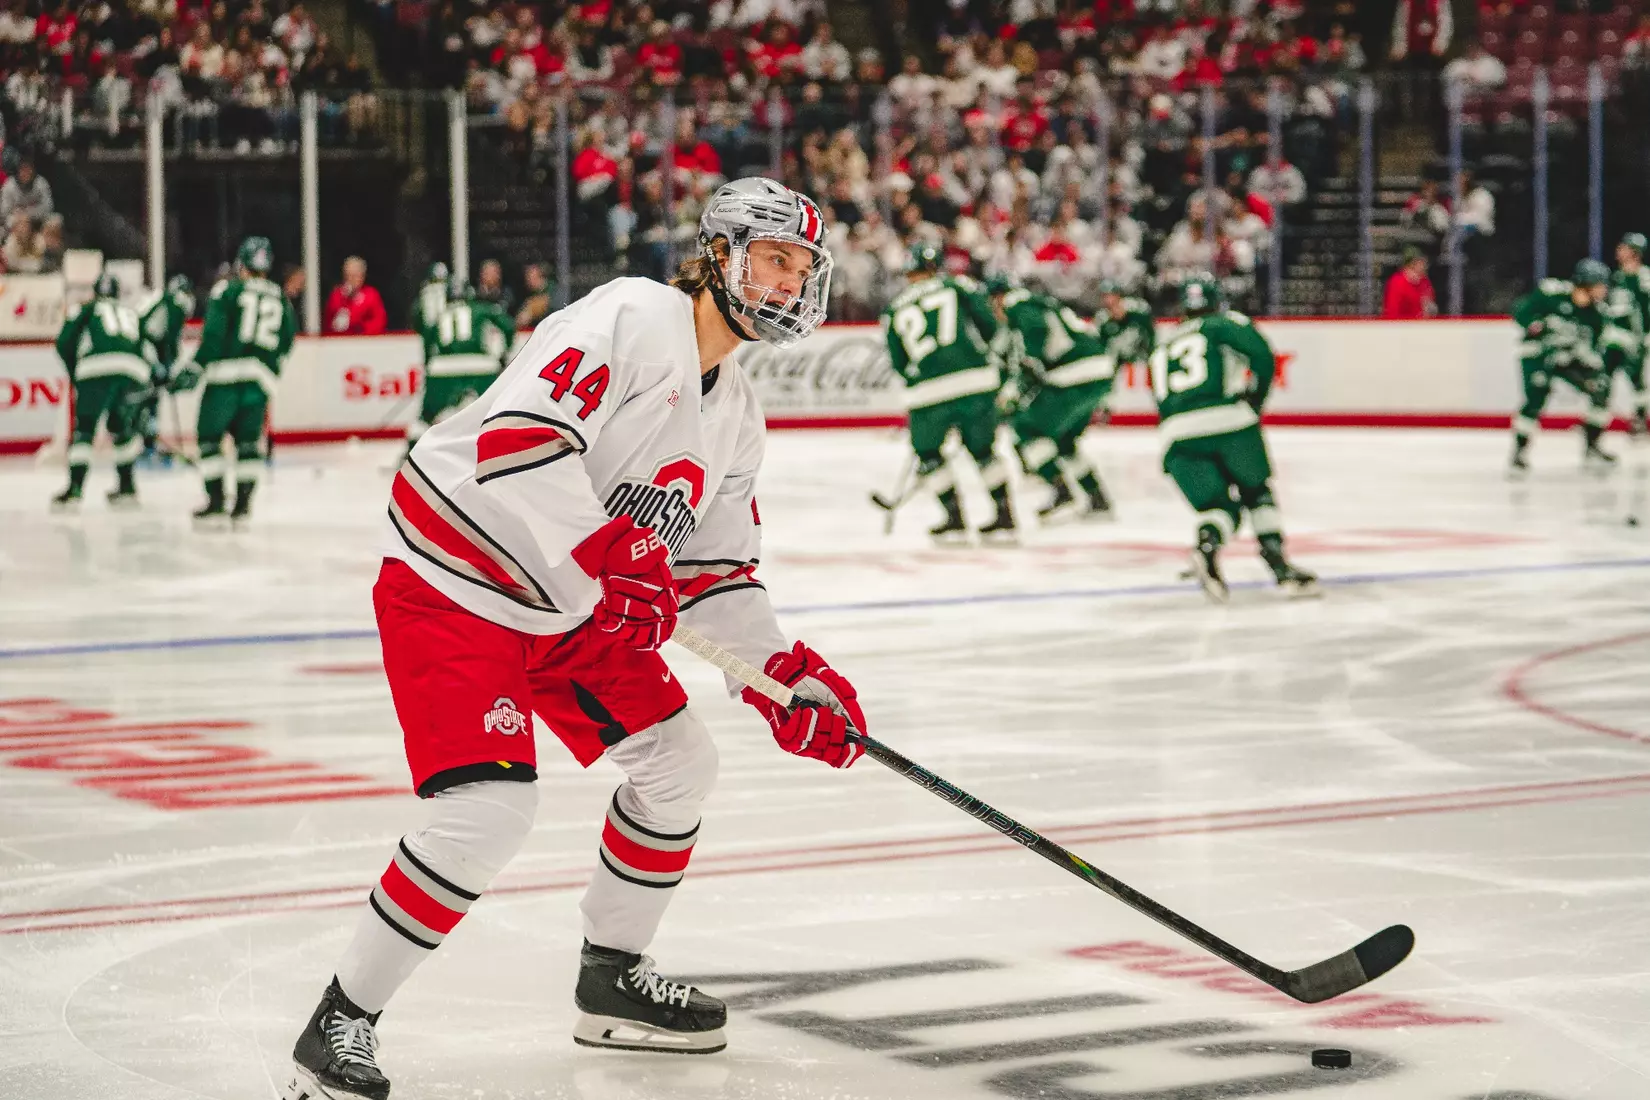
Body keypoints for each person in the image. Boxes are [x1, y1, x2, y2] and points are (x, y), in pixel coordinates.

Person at [278, 178, 869, 1100]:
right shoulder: (633, 316)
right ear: (718, 255)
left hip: (568, 603)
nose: (790, 285)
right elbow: (516, 442)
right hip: (457, 580)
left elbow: (712, 576)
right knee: (488, 811)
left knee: (681, 763)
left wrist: (783, 677)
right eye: (774, 260)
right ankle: (339, 1022)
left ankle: (612, 978)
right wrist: (615, 549)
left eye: (802, 269)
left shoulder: (738, 414)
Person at [1148, 275, 1318, 602]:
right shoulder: (1224, 323)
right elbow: (1263, 355)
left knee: (1219, 507)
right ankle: (1279, 566)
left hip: (1176, 434)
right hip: (1230, 422)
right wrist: (1254, 400)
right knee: (1256, 492)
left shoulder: (1164, 342)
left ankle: (1207, 546)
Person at [879, 241, 1014, 543]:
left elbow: (899, 361)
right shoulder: (958, 286)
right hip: (976, 381)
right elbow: (990, 325)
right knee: (983, 451)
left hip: (926, 393)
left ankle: (954, 519)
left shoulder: (895, 308)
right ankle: (1005, 517)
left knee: (929, 455)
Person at [169, 236, 298, 526]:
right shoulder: (279, 296)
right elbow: (288, 340)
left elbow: (213, 336)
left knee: (210, 439)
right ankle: (242, 506)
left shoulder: (228, 289)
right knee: (249, 444)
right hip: (258, 382)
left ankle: (216, 502)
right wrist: (270, 372)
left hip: (224, 378)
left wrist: (195, 367)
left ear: (242, 264)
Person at [988, 275, 1122, 522]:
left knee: (1028, 429)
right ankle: (1096, 496)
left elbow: (1036, 333)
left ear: (996, 298)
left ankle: (1060, 490)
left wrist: (1029, 367)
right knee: (1063, 440)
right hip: (1098, 372)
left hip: (1075, 374)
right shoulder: (1035, 303)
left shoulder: (1016, 302)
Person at [50, 271, 155, 511]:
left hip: (95, 369)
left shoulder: (87, 308)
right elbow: (147, 347)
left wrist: (76, 372)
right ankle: (127, 486)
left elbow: (64, 341)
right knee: (122, 428)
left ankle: (75, 489)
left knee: (85, 429)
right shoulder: (132, 312)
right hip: (132, 370)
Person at [1510, 259, 1626, 471]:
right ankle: (1519, 451)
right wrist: (1536, 326)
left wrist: (1591, 371)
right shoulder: (1551, 293)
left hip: (1571, 356)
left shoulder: (1598, 314)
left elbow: (1596, 347)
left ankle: (1592, 446)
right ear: (1586, 283)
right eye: (1600, 284)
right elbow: (1520, 311)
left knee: (1601, 387)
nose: (1603, 289)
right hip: (1540, 354)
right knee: (1537, 395)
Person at [404, 272, 515, 461]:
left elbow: (427, 340)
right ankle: (505, 451)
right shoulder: (481, 308)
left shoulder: (440, 315)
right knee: (494, 410)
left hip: (443, 369)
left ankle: (411, 454)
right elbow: (508, 326)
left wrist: (429, 365)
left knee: (427, 415)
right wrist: (503, 355)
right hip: (479, 367)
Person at [138, 273, 196, 463]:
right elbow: (168, 337)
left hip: (140, 348)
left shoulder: (160, 298)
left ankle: (147, 442)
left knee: (148, 398)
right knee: (149, 399)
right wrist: (165, 365)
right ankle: (147, 444)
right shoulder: (178, 301)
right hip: (147, 349)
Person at [1604, 232, 1650, 437]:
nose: (1619, 250)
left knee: (1637, 381)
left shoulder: (1643, 277)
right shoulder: (1617, 277)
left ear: (1635, 252)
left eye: (1624, 247)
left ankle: (1640, 420)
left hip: (1634, 338)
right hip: (1613, 338)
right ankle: (1596, 423)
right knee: (1603, 378)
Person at [325, 255, 388, 334]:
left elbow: (380, 321)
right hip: (340, 342)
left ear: (362, 277)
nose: (350, 280)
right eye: (347, 276)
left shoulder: (371, 295)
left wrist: (359, 328)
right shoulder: (336, 295)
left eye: (354, 276)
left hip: (365, 341)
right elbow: (328, 321)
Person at [1383, 249, 1438, 319]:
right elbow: (1392, 312)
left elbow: (1431, 305)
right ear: (1411, 263)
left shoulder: (1425, 282)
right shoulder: (1397, 282)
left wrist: (1431, 309)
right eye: (1421, 261)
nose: (1425, 265)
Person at [0, 157, 53, 224]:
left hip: (36, 218)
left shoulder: (41, 182)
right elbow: (4, 210)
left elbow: (48, 206)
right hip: (15, 218)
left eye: (28, 170)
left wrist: (28, 214)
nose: (26, 173)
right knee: (10, 221)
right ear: (18, 172)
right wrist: (18, 214)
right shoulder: (9, 184)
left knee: (56, 220)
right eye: (23, 170)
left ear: (33, 171)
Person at [411, 261, 449, 341]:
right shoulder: (426, 292)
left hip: (446, 334)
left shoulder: (449, 291)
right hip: (429, 332)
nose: (439, 286)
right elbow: (417, 314)